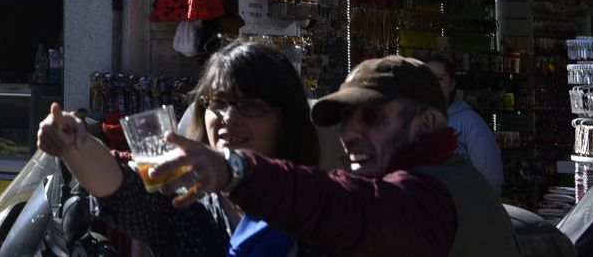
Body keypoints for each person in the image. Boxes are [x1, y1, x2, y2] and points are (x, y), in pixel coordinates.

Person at [147, 55, 519, 257]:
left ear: (426, 124)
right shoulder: (433, 180)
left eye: (372, 116)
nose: (350, 134)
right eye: (345, 119)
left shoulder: (432, 196)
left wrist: (236, 169)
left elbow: (346, 206)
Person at [38, 38, 322, 257]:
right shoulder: (183, 199)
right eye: (218, 103)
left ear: (286, 120)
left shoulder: (317, 202)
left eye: (251, 105)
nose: (229, 118)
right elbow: (120, 189)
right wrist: (74, 143)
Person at [423, 55, 504, 192]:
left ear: (452, 84)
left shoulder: (470, 122)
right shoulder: (412, 122)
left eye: (439, 79)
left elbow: (491, 181)